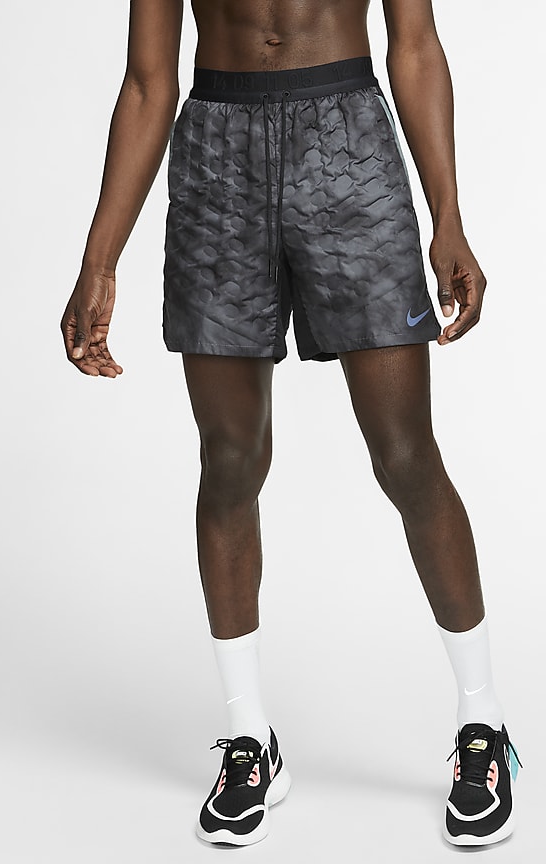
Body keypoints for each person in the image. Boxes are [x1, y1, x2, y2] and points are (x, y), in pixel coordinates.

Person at [61, 0, 521, 848]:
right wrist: (99, 260)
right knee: (230, 460)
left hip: (347, 145)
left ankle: (482, 723)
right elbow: (147, 82)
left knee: (405, 456)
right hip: (217, 158)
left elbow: (415, 46)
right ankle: (249, 740)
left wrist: (447, 213)